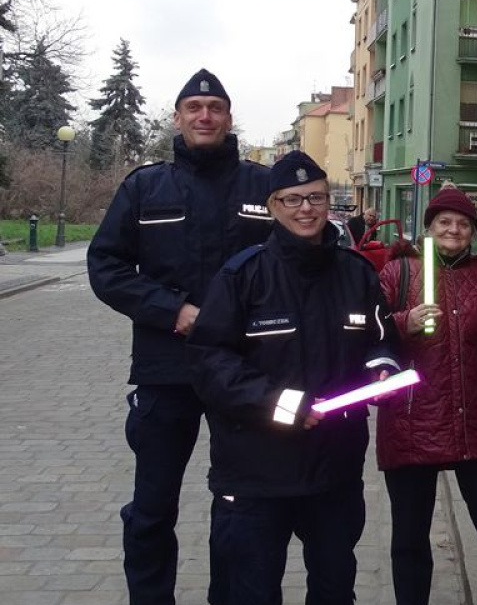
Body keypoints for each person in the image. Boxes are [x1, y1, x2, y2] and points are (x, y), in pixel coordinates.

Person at [87, 68, 272, 605]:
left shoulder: (264, 186)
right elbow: (106, 266)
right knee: (151, 506)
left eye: (214, 108)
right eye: (194, 107)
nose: (205, 116)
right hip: (165, 370)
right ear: (178, 118)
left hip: (243, 369)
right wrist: (175, 311)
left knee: (239, 501)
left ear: (229, 117)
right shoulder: (146, 187)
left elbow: (298, 262)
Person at [186, 151, 400, 605]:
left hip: (334, 472)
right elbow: (210, 362)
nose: (307, 208)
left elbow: (382, 338)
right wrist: (280, 404)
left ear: (329, 204)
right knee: (248, 592)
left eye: (317, 197)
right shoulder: (243, 275)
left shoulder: (356, 273)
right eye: (293, 199)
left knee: (334, 587)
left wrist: (383, 368)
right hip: (255, 475)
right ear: (273, 206)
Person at [376, 185, 477, 605]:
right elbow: (367, 333)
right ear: (428, 228)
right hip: (412, 421)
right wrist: (403, 321)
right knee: (409, 535)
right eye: (444, 222)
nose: (453, 230)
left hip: (473, 419)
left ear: (473, 232)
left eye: (463, 224)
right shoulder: (399, 272)